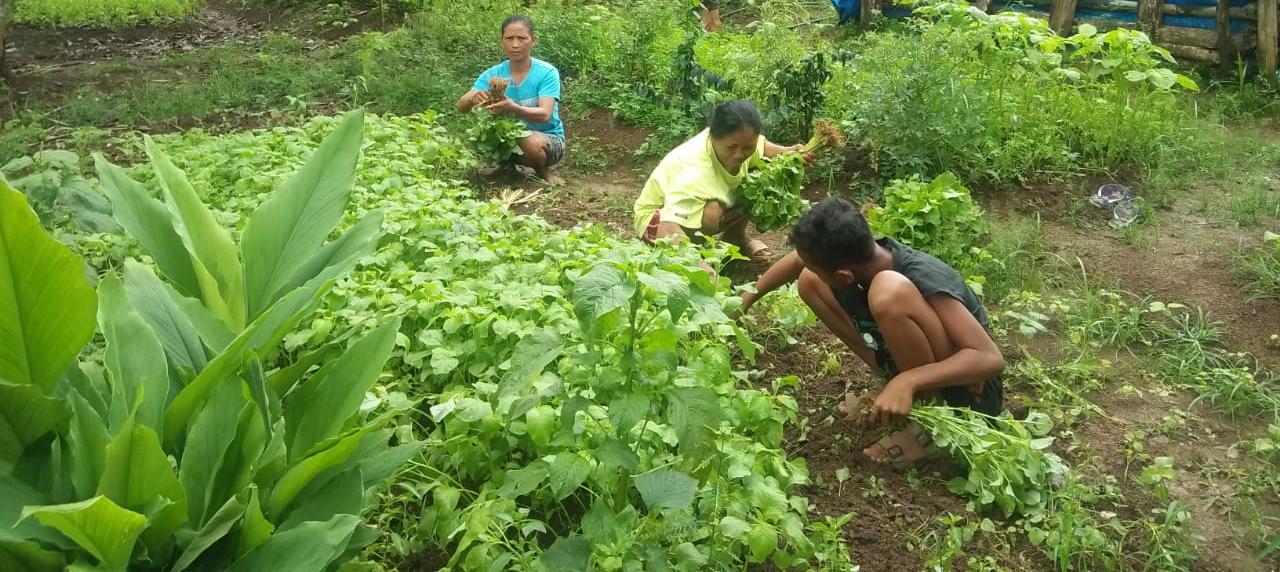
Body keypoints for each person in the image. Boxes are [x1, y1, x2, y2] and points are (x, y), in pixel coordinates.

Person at [740, 197, 1005, 467]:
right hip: (923, 368)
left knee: (888, 292)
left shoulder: (918, 276)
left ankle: (927, 425)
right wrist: (746, 298)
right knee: (809, 282)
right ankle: (896, 389)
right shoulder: (864, 256)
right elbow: (799, 262)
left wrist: (909, 381)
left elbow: (989, 358)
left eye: (824, 272)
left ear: (844, 276)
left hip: (967, 394)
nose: (815, 272)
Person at [632, 100, 811, 263]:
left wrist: (789, 151)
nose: (740, 154)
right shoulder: (694, 170)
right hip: (656, 219)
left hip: (696, 213)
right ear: (713, 136)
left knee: (762, 179)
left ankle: (735, 237)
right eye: (732, 147)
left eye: (748, 147)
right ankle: (693, 250)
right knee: (711, 213)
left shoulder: (743, 142)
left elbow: (762, 147)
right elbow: (668, 225)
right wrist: (703, 271)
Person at [456, 14, 566, 186]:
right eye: (509, 38)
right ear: (502, 41)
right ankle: (507, 167)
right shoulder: (494, 75)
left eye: (521, 38)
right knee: (482, 135)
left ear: (533, 40)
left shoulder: (546, 72)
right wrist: (472, 98)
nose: (515, 44)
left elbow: (545, 114)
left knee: (528, 141)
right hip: (508, 140)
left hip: (547, 141)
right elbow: (461, 106)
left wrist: (513, 107)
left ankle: (542, 172)